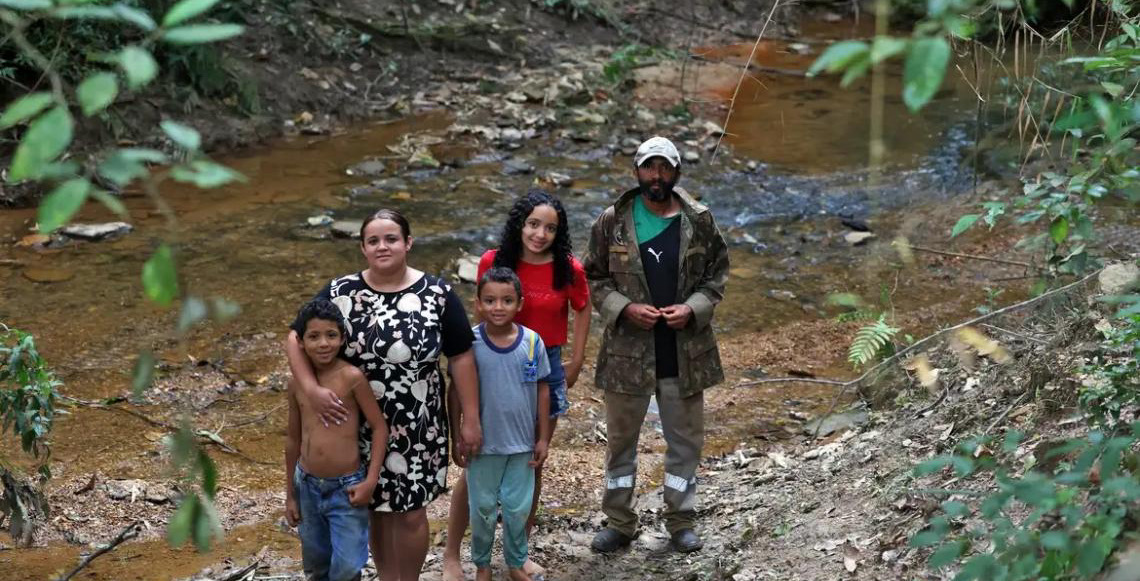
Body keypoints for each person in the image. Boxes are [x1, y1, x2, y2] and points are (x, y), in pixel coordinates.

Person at [285, 209, 483, 581]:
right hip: (354, 425)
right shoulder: (341, 291)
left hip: (418, 426)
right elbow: (295, 337)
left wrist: (469, 419)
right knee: (374, 508)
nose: (382, 246)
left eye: (391, 238)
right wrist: (311, 390)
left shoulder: (437, 294)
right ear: (362, 247)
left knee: (409, 514)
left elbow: (461, 357)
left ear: (408, 243)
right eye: (373, 240)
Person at [582, 136, 729, 554]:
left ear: (677, 171)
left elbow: (717, 275)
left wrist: (693, 308)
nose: (657, 176)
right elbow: (593, 277)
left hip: (684, 351)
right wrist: (625, 308)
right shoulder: (612, 221)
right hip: (627, 353)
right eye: (649, 167)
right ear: (637, 171)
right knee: (620, 443)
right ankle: (619, 522)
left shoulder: (699, 219)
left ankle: (681, 521)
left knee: (685, 442)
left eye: (665, 167)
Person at [443, 191, 590, 581]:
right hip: (491, 362)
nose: (540, 234)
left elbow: (583, 305)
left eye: (550, 228)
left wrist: (576, 359)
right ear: (519, 224)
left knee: (531, 462)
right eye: (533, 224)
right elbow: (479, 311)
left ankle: (518, 555)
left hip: (544, 363)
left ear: (559, 233)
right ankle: (453, 555)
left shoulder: (568, 268)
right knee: (476, 462)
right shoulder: (495, 261)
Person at [285, 299, 388, 581]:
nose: (323, 343)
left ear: (342, 338)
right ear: (301, 342)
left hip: (347, 488)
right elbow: (293, 439)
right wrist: (290, 494)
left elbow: (379, 428)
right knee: (316, 563)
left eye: (331, 335)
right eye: (313, 336)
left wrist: (370, 481)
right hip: (307, 486)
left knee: (348, 565)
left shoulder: (351, 378)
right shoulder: (297, 384)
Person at [466, 267, 551, 581]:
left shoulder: (532, 342)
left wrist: (543, 438)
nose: (498, 307)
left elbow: (543, 388)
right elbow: (457, 390)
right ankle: (482, 564)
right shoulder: (470, 342)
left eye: (506, 300)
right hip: (483, 446)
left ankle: (516, 562)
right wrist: (459, 433)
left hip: (522, 445)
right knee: (482, 509)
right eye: (490, 300)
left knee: (517, 509)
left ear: (520, 303)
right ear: (478, 303)